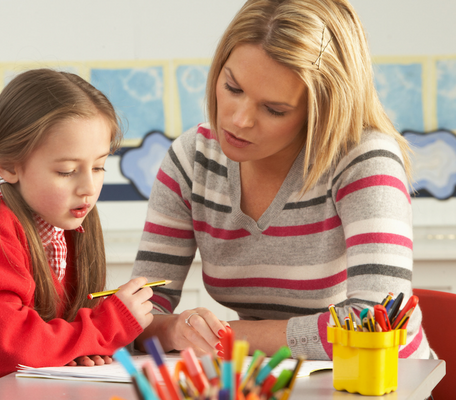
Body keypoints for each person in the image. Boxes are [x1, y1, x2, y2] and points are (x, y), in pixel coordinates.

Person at [131, 0, 434, 360]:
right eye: (233, 88)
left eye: (274, 109)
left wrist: (231, 336)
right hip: (272, 379)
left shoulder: (363, 159)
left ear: (321, 110)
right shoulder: (192, 159)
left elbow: (382, 328)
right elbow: (137, 312)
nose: (240, 120)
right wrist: (173, 328)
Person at [0, 69, 154, 400]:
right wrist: (107, 326)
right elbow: (9, 348)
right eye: (66, 171)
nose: (89, 188)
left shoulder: (67, 217)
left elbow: (51, 339)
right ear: (7, 165)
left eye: (99, 166)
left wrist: (78, 350)